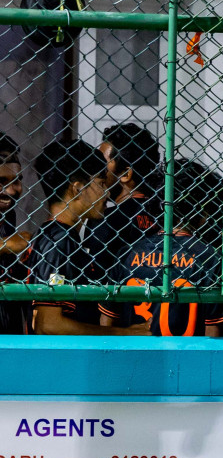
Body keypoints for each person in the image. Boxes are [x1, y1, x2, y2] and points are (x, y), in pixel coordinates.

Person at [99, 160, 223, 337]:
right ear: (204, 211)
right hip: (186, 357)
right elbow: (213, 332)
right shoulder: (211, 258)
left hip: (134, 355)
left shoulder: (127, 253)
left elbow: (106, 322)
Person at [25, 138, 142, 336]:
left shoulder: (60, 236)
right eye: (101, 183)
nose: (106, 192)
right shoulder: (58, 240)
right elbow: (48, 324)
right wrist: (123, 333)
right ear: (77, 188)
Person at [92, 122, 162, 254]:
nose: (96, 170)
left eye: (102, 163)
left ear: (125, 174)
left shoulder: (105, 221)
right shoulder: (165, 215)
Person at [0, 134, 30, 335]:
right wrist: (6, 244)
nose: (12, 190)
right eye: (1, 181)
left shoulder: (7, 214)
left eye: (17, 180)